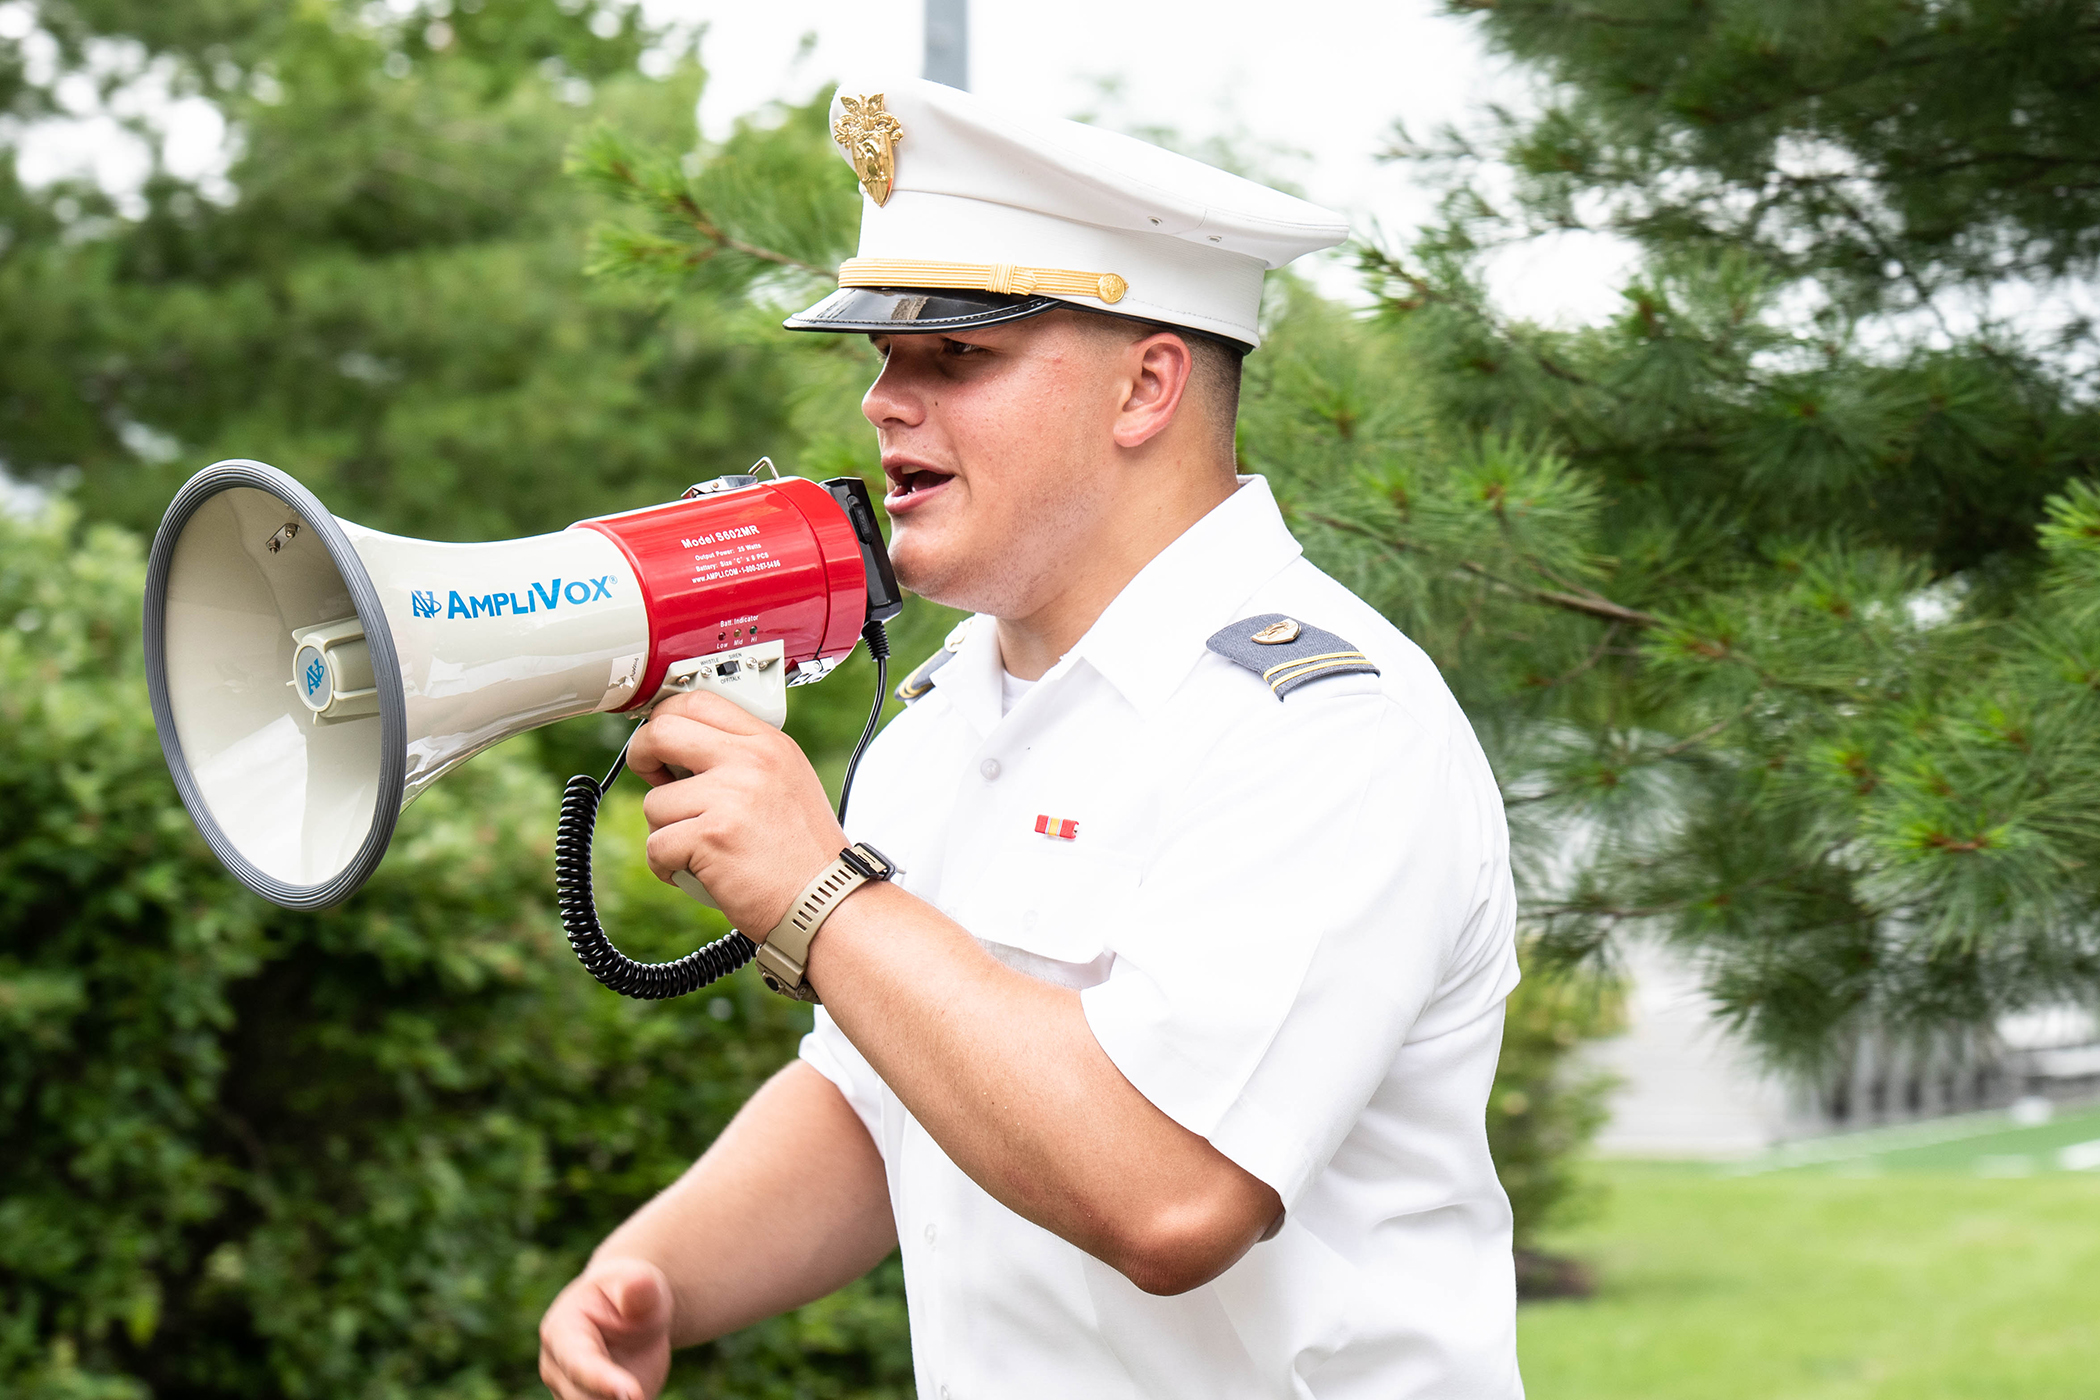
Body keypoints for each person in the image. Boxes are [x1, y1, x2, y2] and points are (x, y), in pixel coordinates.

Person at [538, 76, 1523, 1400]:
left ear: (1147, 387)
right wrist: (654, 1274)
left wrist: (815, 892)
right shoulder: (951, 715)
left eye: (958, 357)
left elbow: (1173, 1195)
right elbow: (881, 1087)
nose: (886, 403)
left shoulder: (1330, 728)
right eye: (883, 358)